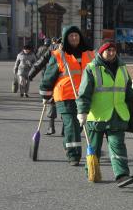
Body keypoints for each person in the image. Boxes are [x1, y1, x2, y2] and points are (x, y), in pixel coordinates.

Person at [76, 40, 133, 187]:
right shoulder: (92, 68)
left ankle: (122, 175)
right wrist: (82, 111)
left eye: (113, 50)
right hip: (97, 115)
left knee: (118, 145)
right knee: (95, 147)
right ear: (101, 52)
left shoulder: (123, 68)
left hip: (117, 114)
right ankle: (91, 170)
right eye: (108, 50)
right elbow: (84, 92)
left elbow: (127, 90)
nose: (111, 53)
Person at [39, 26, 94, 166]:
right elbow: (49, 76)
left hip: (84, 96)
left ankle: (69, 143)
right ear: (65, 38)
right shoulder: (58, 54)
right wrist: (46, 94)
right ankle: (73, 155)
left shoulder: (89, 54)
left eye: (76, 35)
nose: (74, 38)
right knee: (72, 125)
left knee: (78, 125)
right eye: (71, 36)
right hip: (65, 95)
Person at [29, 38, 61, 135]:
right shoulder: (72, 47)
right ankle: (63, 128)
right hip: (64, 79)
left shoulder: (52, 47)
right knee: (66, 104)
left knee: (51, 102)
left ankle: (51, 127)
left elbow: (41, 60)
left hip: (51, 76)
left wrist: (32, 73)